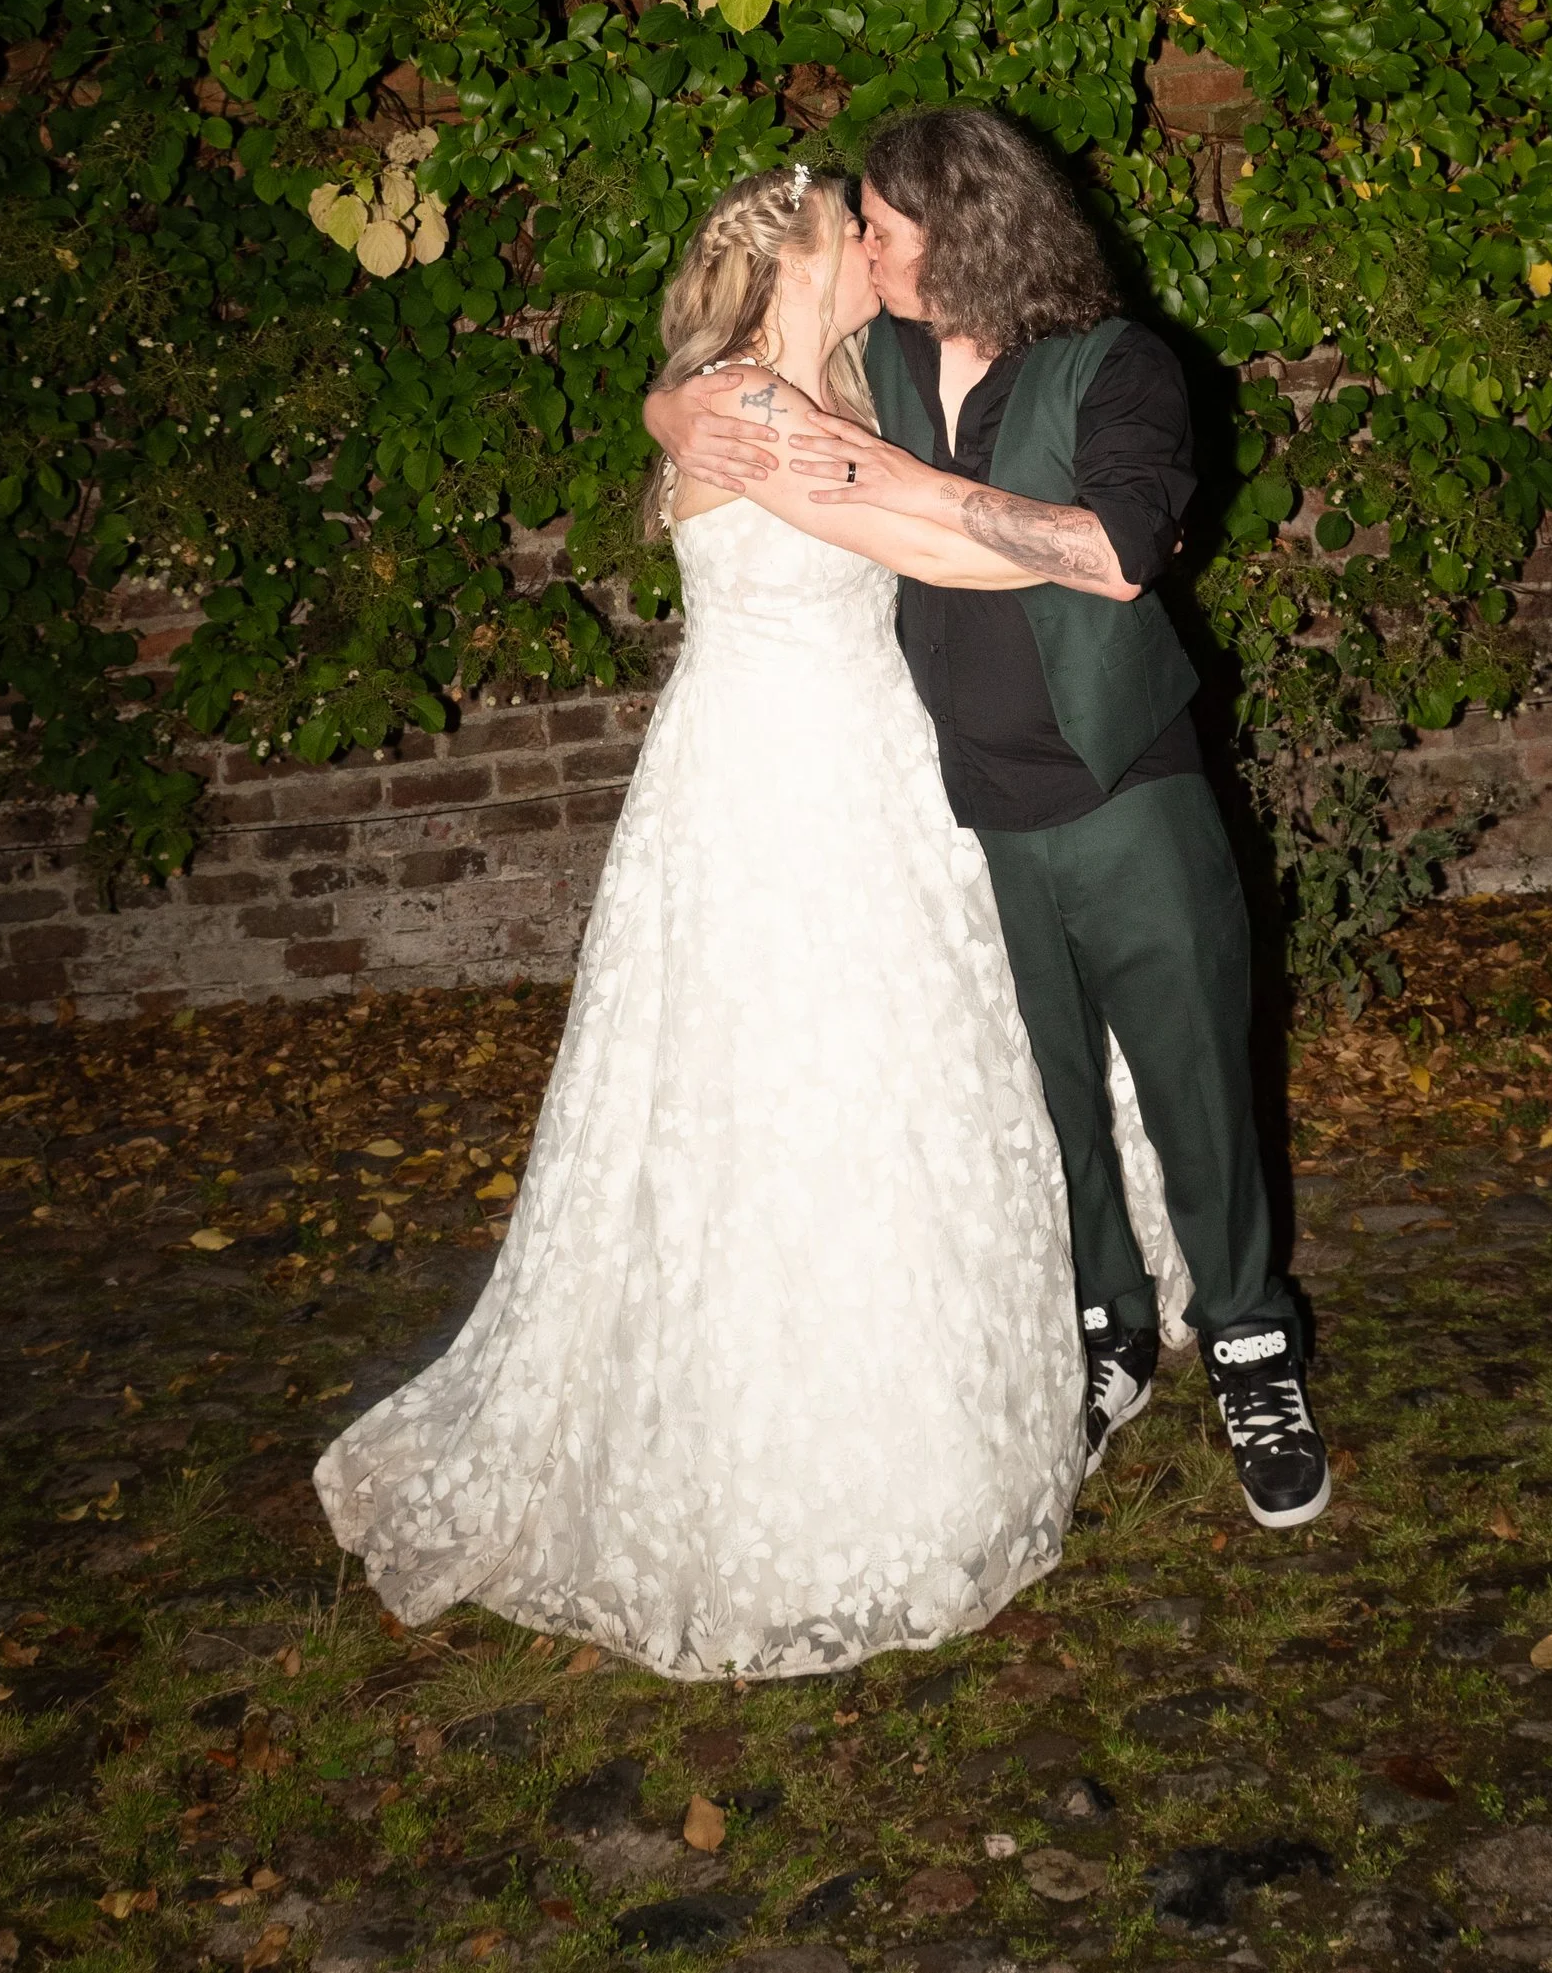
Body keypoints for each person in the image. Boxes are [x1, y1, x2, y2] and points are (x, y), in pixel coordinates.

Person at [314, 161, 1152, 1677]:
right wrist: (1083, 551)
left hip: (878, 761)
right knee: (778, 1102)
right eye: (858, 233)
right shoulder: (748, 409)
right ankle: (810, 1461)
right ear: (799, 262)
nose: (884, 253)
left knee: (922, 1086)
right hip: (770, 787)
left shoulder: (857, 380)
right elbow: (938, 552)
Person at [646, 106, 1327, 1530]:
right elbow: (728, 397)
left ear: (961, 231)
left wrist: (910, 483)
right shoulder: (882, 354)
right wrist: (673, 405)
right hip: (963, 806)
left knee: (1194, 1078)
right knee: (1047, 1100)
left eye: (885, 228)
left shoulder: (1119, 368)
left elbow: (1117, 554)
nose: (871, 249)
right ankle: (1111, 1333)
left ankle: (1256, 1350)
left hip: (1121, 788)